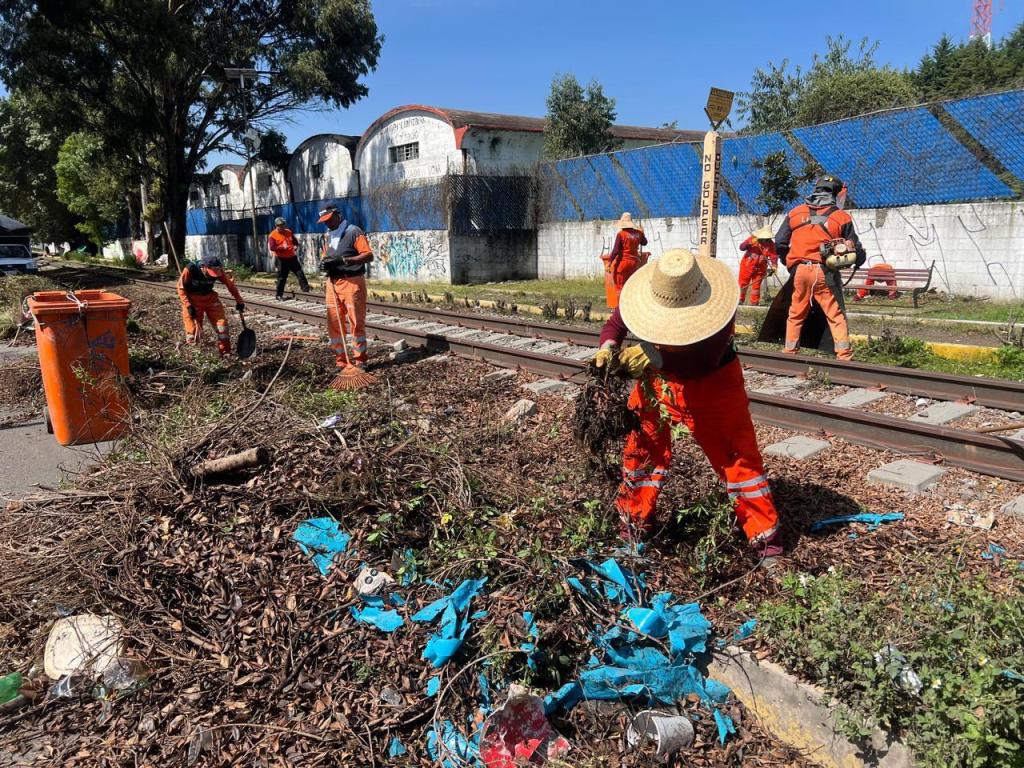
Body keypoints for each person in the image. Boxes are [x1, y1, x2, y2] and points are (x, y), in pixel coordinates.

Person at [592, 248, 782, 559]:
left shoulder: (718, 310)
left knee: (737, 459)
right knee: (641, 449)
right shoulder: (653, 290)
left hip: (714, 385)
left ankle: (766, 543)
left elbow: (705, 360)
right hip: (656, 382)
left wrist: (656, 356)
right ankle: (634, 525)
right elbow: (616, 322)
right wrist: (608, 347)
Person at [773, 175, 865, 361]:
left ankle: (790, 352)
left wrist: (789, 262)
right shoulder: (841, 217)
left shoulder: (796, 213)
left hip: (799, 270)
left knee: (796, 312)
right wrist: (859, 260)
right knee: (835, 313)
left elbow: (780, 241)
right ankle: (844, 355)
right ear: (837, 194)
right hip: (825, 272)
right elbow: (855, 247)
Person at [318, 204, 374, 370]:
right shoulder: (328, 236)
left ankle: (360, 360)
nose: (327, 224)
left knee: (355, 322)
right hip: (332, 284)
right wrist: (325, 264)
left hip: (352, 282)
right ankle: (341, 361)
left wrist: (346, 260)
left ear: (338, 215)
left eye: (329, 220)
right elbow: (325, 256)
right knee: (334, 322)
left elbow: (368, 255)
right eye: (324, 221)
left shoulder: (353, 231)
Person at [176, 255, 245, 355]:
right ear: (203, 267)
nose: (213, 276)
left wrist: (239, 300)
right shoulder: (191, 268)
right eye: (211, 273)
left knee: (222, 328)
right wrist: (189, 306)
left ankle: (226, 353)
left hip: (210, 299)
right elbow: (180, 288)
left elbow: (230, 285)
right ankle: (195, 355)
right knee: (193, 332)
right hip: (193, 300)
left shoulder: (218, 271)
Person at [600, 212, 648, 309]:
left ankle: (619, 310)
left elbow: (615, 251)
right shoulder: (638, 234)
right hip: (634, 264)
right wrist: (642, 233)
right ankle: (629, 309)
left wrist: (609, 262)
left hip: (622, 264)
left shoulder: (621, 234)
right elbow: (644, 243)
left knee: (620, 287)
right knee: (630, 286)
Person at [268, 216, 310, 299]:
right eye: (280, 225)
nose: (282, 227)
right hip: (281, 259)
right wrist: (282, 248)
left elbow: (295, 242)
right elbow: (272, 247)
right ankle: (279, 295)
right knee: (282, 277)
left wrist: (295, 246)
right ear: (276, 226)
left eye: (283, 225)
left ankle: (306, 290)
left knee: (300, 273)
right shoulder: (272, 235)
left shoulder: (289, 232)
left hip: (291, 257)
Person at [737, 226, 778, 305]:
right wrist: (750, 243)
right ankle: (739, 300)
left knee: (756, 287)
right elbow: (741, 247)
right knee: (743, 284)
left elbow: (773, 256)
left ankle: (754, 303)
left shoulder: (771, 244)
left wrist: (774, 266)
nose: (765, 240)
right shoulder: (753, 239)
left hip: (760, 269)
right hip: (747, 266)